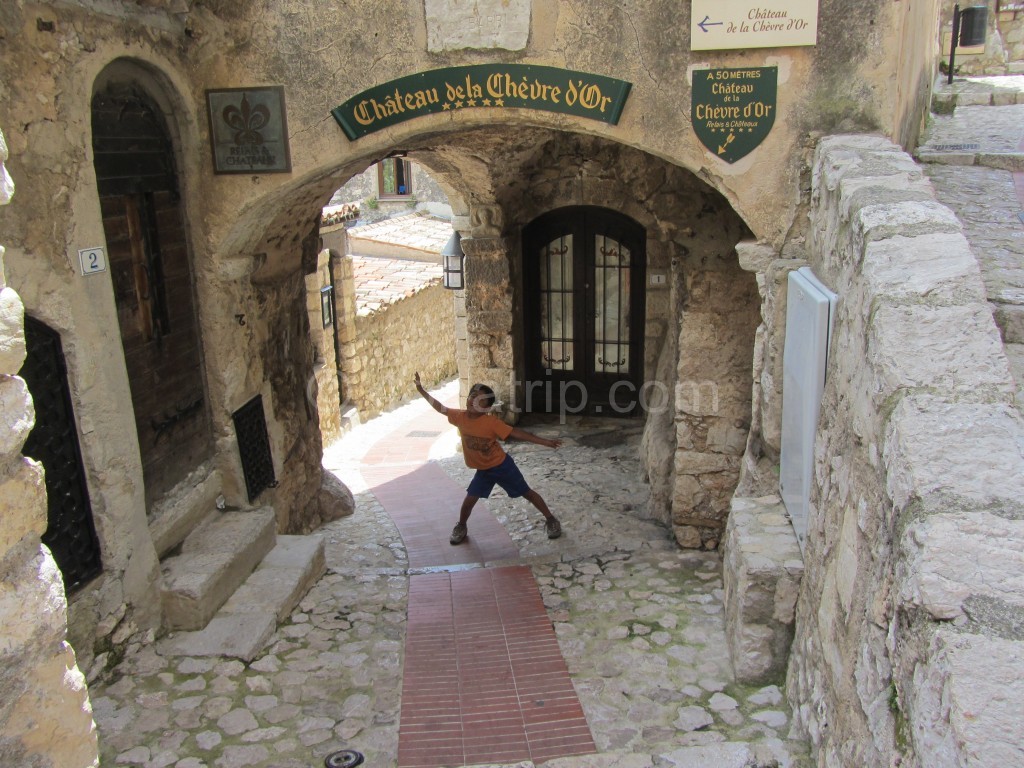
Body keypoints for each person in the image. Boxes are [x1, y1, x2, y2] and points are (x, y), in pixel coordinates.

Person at [414, 372, 563, 544]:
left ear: (486, 408)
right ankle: (461, 525)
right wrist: (421, 390)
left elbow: (516, 432)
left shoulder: (491, 423)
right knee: (469, 500)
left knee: (527, 493)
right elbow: (440, 407)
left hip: (502, 466)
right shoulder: (459, 417)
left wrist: (545, 441)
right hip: (484, 471)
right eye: (473, 396)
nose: (474, 400)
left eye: (481, 400)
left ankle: (551, 519)